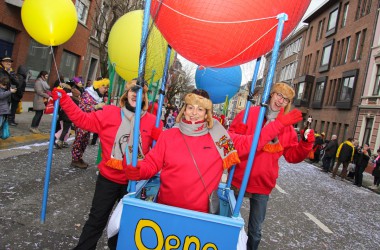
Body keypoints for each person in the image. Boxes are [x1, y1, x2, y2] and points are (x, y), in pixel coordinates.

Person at [52, 78, 162, 249]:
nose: (135, 93)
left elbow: (158, 154)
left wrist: (159, 135)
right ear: (127, 93)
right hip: (108, 179)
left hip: (134, 184)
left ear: (144, 97)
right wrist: (65, 100)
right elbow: (82, 120)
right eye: (133, 89)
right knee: (97, 219)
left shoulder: (152, 121)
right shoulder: (109, 113)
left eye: (140, 91)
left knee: (124, 226)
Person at [228, 82, 315, 250]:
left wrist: (305, 144)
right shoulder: (251, 114)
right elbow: (230, 141)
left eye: (286, 99)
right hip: (238, 178)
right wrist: (237, 131)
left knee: (256, 232)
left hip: (262, 184)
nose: (280, 100)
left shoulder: (287, 128)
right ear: (272, 94)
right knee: (228, 221)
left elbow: (292, 156)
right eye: (279, 95)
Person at [125, 89, 240, 213]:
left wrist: (253, 130)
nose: (194, 113)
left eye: (200, 109)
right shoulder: (168, 135)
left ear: (207, 114)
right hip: (165, 209)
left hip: (199, 216)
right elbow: (152, 163)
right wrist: (138, 169)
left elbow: (251, 143)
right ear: (184, 110)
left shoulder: (220, 138)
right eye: (190, 107)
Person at [70, 78, 108, 169]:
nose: (106, 89)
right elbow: (83, 107)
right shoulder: (87, 94)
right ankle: (75, 160)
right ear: (98, 86)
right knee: (79, 140)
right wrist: (96, 106)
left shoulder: (98, 96)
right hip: (81, 121)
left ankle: (79, 158)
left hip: (89, 122)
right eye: (104, 87)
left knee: (85, 141)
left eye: (107, 88)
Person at [0, 57, 20, 126]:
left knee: (3, 119)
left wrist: (10, 74)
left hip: (7, 97)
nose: (9, 63)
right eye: (6, 61)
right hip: (1, 96)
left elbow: (17, 83)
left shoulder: (11, 72)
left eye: (10, 62)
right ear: (2, 62)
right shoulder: (1, 71)